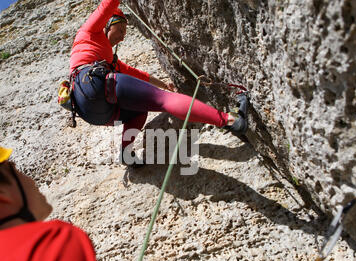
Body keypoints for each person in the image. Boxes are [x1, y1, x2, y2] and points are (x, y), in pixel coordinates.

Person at [68, 0, 249, 167]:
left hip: (89, 111)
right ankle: (231, 120)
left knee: (138, 110)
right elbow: (107, 5)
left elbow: (136, 74)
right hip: (93, 82)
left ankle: (125, 152)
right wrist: (165, 92)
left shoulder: (108, 61)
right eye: (121, 30)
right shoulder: (89, 32)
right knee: (164, 100)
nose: (122, 37)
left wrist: (163, 84)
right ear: (108, 24)